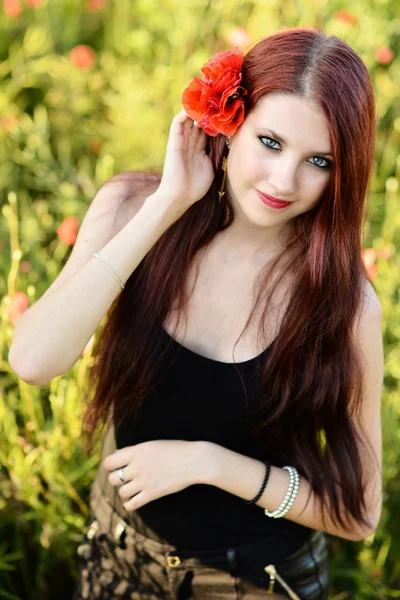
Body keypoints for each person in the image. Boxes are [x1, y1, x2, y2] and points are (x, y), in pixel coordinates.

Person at [9, 26, 384, 600]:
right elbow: (34, 360)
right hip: (120, 548)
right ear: (230, 125)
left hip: (251, 579)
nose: (284, 181)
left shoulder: (343, 304)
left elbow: (358, 514)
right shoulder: (135, 208)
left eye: (319, 160)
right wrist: (166, 206)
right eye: (271, 142)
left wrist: (211, 464)